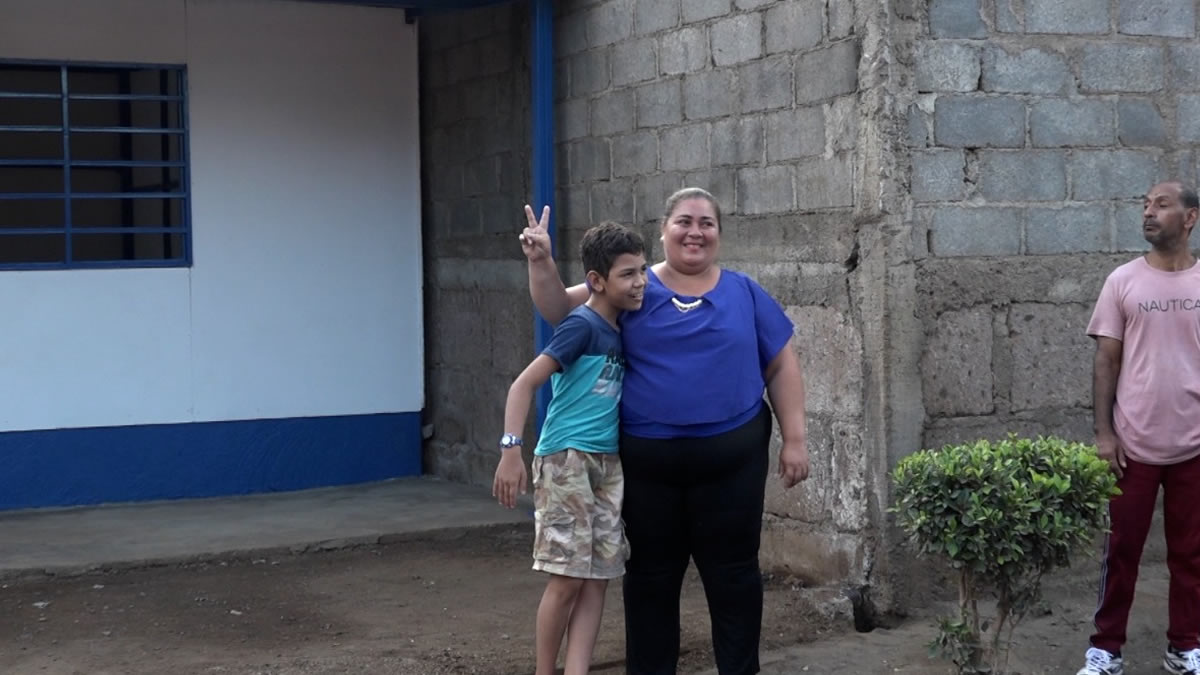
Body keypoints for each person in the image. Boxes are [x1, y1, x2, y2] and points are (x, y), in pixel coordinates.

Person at [519, 187, 811, 675]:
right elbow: (557, 309)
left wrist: (796, 439)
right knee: (651, 579)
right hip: (648, 468)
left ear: (718, 233)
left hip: (731, 464)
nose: (695, 231)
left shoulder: (745, 292)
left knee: (734, 576)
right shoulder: (633, 287)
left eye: (706, 222)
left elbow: (782, 363)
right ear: (664, 230)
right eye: (684, 221)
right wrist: (541, 260)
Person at [493, 221, 647, 675]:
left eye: (642, 271)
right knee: (566, 579)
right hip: (567, 458)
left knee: (599, 577)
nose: (639, 282)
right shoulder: (582, 325)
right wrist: (510, 450)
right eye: (628, 274)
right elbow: (524, 384)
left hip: (606, 462)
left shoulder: (621, 326)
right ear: (597, 281)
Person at [1078, 181, 1200, 675]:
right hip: (1132, 447)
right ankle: (1106, 650)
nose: (1148, 213)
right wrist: (1104, 434)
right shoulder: (1122, 281)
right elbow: (1106, 363)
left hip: (1195, 445)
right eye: (1145, 205)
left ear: (1190, 218)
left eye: (1162, 205)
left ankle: (1184, 648)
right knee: (1121, 553)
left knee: (1191, 556)